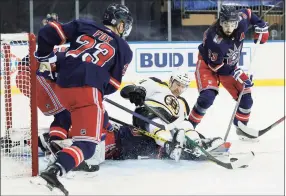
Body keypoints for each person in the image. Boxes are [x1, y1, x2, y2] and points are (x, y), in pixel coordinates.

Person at [34, 3, 133, 193]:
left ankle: (56, 140)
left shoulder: (84, 25)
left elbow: (47, 31)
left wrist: (44, 59)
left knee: (69, 115)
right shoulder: (124, 48)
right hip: (88, 91)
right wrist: (97, 87)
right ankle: (55, 170)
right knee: (87, 145)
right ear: (120, 25)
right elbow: (113, 85)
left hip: (62, 87)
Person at [103, 69, 228, 161]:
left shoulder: (183, 103)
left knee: (185, 123)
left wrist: (196, 136)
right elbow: (137, 88)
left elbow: (182, 127)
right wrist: (136, 92)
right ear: (171, 81)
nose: (179, 89)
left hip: (168, 125)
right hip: (147, 114)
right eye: (177, 84)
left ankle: (197, 144)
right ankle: (169, 145)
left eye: (183, 87)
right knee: (156, 121)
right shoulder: (158, 84)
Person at [187, 5, 269, 140]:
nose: (229, 28)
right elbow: (216, 66)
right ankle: (188, 128)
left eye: (232, 24)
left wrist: (261, 26)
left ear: (236, 21)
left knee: (246, 98)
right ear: (220, 22)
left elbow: (248, 13)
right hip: (208, 66)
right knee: (207, 98)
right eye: (225, 24)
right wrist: (237, 72)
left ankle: (241, 127)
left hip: (230, 66)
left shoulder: (241, 21)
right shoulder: (215, 40)